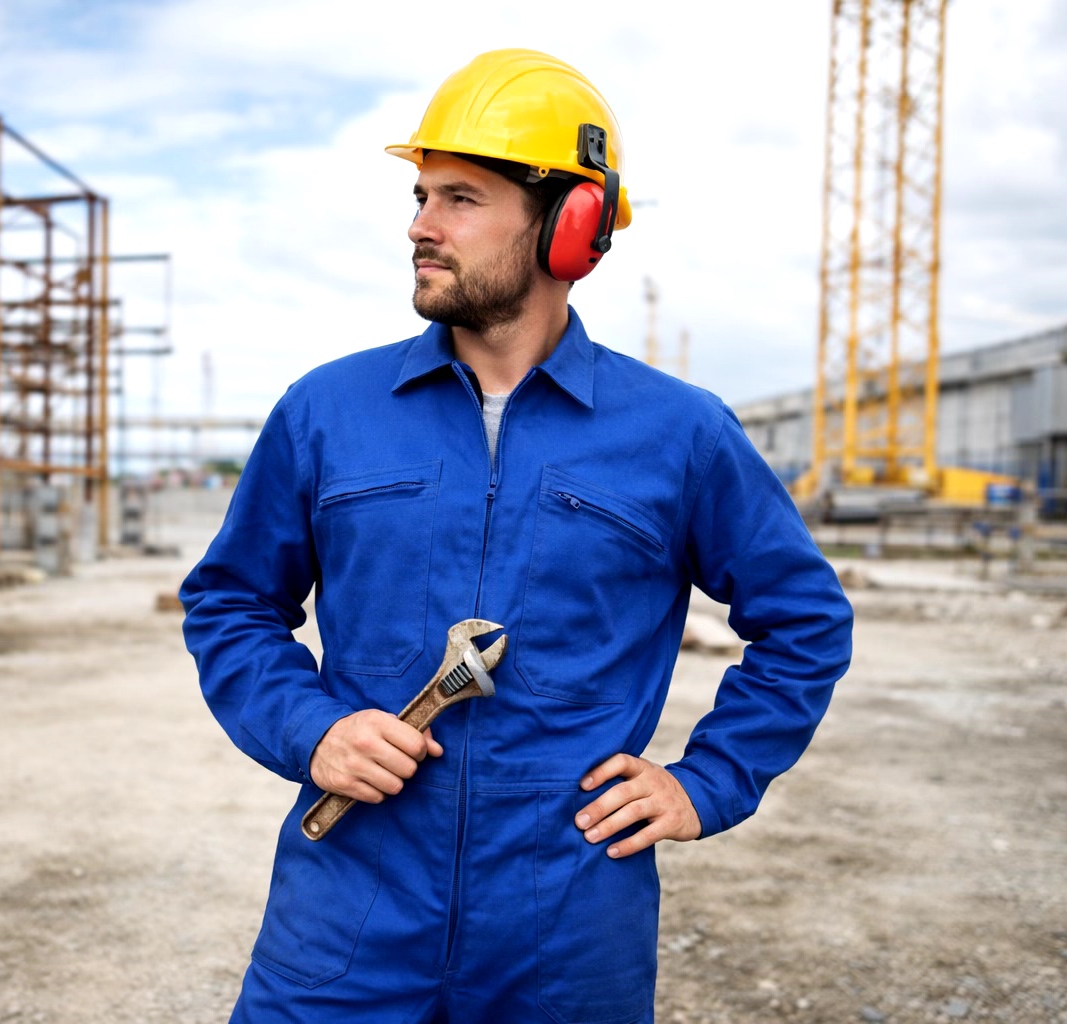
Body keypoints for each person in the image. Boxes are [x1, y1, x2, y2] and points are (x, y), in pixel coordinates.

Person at [180, 48, 853, 1024]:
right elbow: (233, 602)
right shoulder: (326, 412)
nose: (419, 225)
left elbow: (805, 620)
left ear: (569, 223)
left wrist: (708, 778)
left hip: (566, 941)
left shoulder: (679, 433)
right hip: (345, 924)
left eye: (460, 197)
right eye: (419, 195)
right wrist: (310, 728)